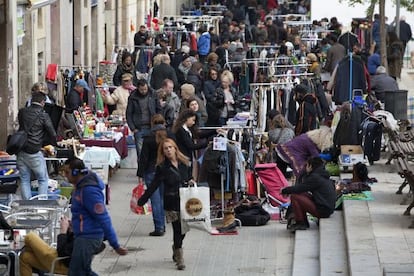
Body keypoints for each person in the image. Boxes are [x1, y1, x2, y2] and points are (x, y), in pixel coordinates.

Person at [63, 157, 127, 275]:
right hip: (84, 236)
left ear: (76, 172)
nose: (65, 176)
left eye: (67, 172)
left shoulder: (89, 191)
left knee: (76, 272)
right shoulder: (80, 187)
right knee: (84, 271)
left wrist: (115, 244)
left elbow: (103, 218)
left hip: (88, 238)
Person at [137, 138, 194, 270]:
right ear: (162, 152)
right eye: (165, 149)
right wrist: (143, 199)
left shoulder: (184, 162)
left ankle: (176, 246)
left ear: (175, 148)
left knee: (184, 229)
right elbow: (154, 184)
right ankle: (180, 257)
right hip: (171, 202)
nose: (168, 150)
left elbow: (189, 177)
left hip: (185, 201)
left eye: (170, 147)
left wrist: (190, 181)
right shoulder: (162, 167)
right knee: (177, 229)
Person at [17, 92, 57, 199]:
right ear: (43, 102)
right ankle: (41, 207)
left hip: (21, 150)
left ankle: (27, 207)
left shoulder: (22, 112)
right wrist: (53, 144)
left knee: (25, 179)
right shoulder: (43, 115)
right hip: (34, 151)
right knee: (42, 179)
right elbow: (52, 133)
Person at [138, 115, 172, 236]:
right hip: (166, 170)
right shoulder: (169, 136)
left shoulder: (148, 138)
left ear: (152, 123)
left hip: (151, 171)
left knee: (155, 199)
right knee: (162, 198)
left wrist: (140, 174)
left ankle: (159, 227)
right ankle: (163, 224)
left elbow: (144, 158)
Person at [281, 157, 336, 232]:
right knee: (301, 194)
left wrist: (284, 190)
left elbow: (299, 188)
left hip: (323, 210)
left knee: (295, 196)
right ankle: (302, 220)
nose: (305, 168)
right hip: (327, 208)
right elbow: (302, 188)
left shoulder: (315, 177)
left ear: (310, 166)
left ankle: (301, 222)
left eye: (307, 165)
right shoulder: (322, 175)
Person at [126, 79, 159, 167]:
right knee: (140, 152)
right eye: (142, 90)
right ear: (138, 88)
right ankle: (142, 173)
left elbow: (158, 109)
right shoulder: (133, 97)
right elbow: (129, 113)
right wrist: (133, 128)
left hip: (152, 127)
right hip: (139, 128)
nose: (144, 91)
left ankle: (149, 170)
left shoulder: (153, 94)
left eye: (145, 89)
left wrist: (158, 123)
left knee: (152, 152)